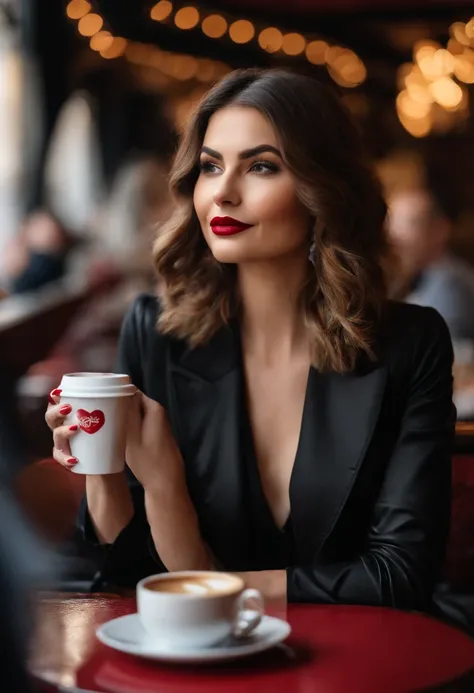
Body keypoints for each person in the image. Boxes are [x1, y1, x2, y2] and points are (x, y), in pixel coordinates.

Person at [46, 69, 455, 610]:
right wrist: (111, 473)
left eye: (261, 166)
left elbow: (398, 577)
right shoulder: (156, 333)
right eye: (211, 166)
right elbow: (124, 570)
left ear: (321, 189)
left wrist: (215, 584)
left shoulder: (411, 342)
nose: (223, 192)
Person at [387, 184, 474, 341]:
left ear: (441, 229)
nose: (395, 236)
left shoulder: (449, 285)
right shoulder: (412, 278)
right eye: (392, 224)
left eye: (410, 224)